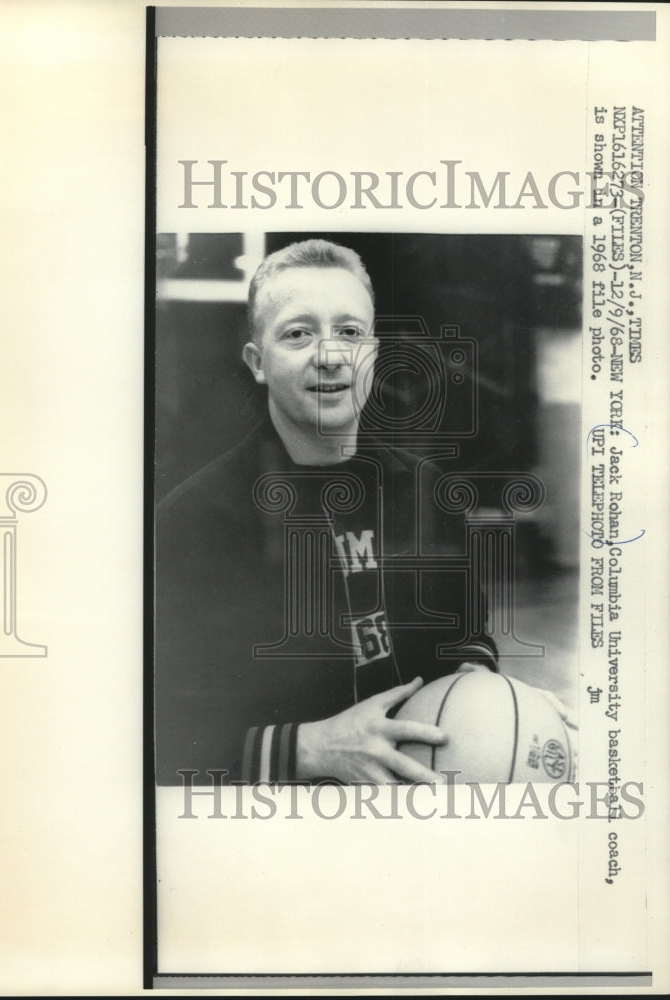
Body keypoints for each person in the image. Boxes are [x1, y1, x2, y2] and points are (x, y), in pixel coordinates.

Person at [156, 239, 500, 786]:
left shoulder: (429, 493)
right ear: (257, 362)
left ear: (374, 353)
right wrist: (307, 748)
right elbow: (163, 730)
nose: (331, 354)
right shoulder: (194, 521)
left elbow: (464, 634)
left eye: (350, 332)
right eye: (298, 333)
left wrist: (489, 699)